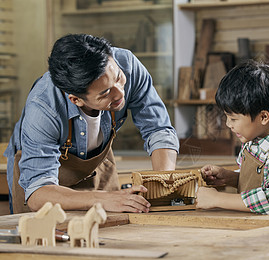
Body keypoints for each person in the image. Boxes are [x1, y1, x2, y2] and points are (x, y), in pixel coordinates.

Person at [4, 34, 179, 214]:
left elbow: (158, 129)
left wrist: (163, 183)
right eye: (105, 93)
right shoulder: (43, 108)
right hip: (47, 183)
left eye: (118, 77)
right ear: (76, 100)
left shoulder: (127, 64)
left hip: (96, 165)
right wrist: (101, 199)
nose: (120, 94)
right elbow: (38, 192)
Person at [196, 60, 269, 214]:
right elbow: (261, 179)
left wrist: (217, 199)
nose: (228, 124)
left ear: (263, 117)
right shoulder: (257, 137)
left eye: (234, 119)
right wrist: (230, 178)